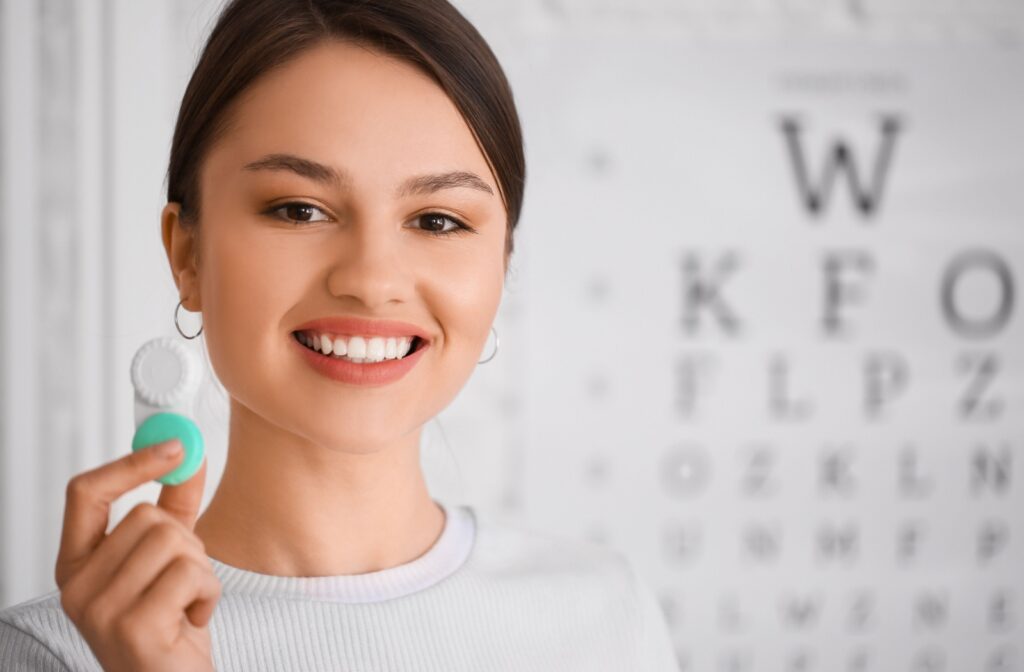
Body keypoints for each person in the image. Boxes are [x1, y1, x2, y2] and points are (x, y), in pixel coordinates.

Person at [0, 0, 679, 669]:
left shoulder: (606, 617)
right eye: (299, 209)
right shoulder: (64, 652)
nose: (371, 279)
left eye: (438, 220)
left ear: (501, 265)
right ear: (187, 255)